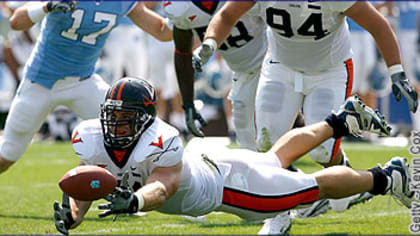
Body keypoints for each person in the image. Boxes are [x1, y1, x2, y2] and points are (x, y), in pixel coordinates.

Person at [53, 77, 412, 235]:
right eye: (112, 116)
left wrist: (133, 202)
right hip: (219, 166)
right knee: (275, 158)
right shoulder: (91, 137)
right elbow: (87, 183)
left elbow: (163, 187)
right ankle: (341, 120)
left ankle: (387, 177)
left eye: (125, 118)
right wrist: (73, 216)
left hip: (230, 188)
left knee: (309, 188)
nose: (115, 125)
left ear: (145, 119)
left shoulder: (160, 139)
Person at [0, 1, 172, 174]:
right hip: (40, 83)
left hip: (83, 82)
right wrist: (47, 6)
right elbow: (16, 22)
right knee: (7, 154)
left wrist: (189, 20)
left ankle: (157, 182)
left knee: (137, 130)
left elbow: (162, 31)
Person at [164, 1, 267, 150]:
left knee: (274, 120)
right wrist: (188, 104)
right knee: (248, 141)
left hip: (273, 62)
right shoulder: (181, 8)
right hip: (243, 73)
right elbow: (182, 53)